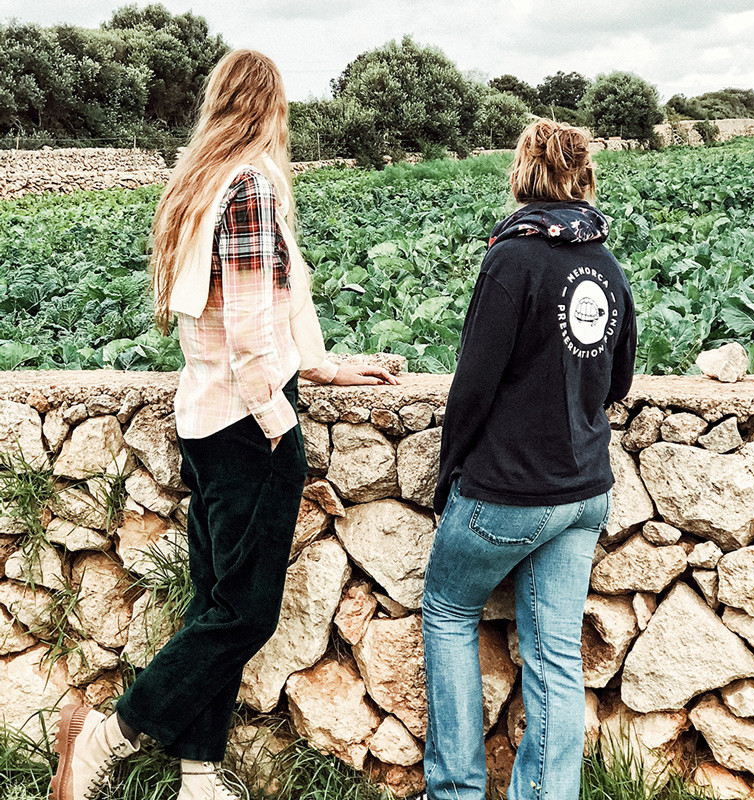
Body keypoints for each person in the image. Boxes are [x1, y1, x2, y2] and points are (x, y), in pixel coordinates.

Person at [50, 49, 397, 800]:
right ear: (270, 109)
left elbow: (248, 315)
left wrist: (328, 367)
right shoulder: (249, 188)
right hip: (247, 423)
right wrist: (277, 418)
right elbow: (246, 330)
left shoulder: (198, 184)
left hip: (203, 417)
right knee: (245, 613)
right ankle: (104, 742)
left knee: (216, 603)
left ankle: (198, 776)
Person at [422, 119, 637, 800]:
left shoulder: (511, 259)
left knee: (448, 610)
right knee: (555, 654)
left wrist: (449, 473)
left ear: (525, 172)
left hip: (510, 491)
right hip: (583, 494)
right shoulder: (605, 263)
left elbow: (473, 385)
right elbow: (620, 381)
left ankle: (455, 790)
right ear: (582, 174)